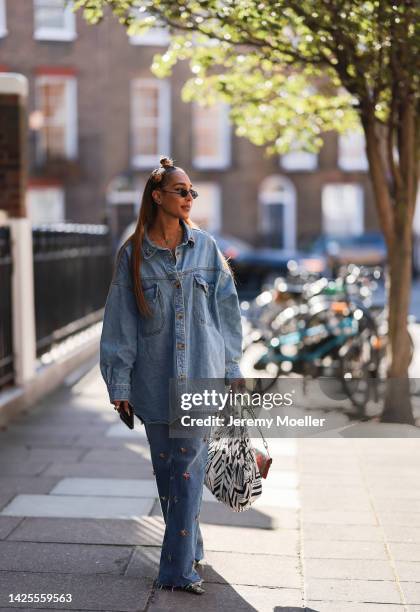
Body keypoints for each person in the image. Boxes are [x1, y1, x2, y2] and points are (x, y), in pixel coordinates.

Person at [99, 156, 244, 595]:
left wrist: (233, 369)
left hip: (201, 376)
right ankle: (192, 544)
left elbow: (227, 312)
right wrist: (119, 383)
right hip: (154, 381)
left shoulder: (206, 248)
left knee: (184, 469)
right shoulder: (133, 255)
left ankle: (177, 571)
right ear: (157, 196)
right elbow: (121, 322)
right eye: (181, 191)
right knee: (168, 474)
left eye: (191, 192)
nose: (188, 198)